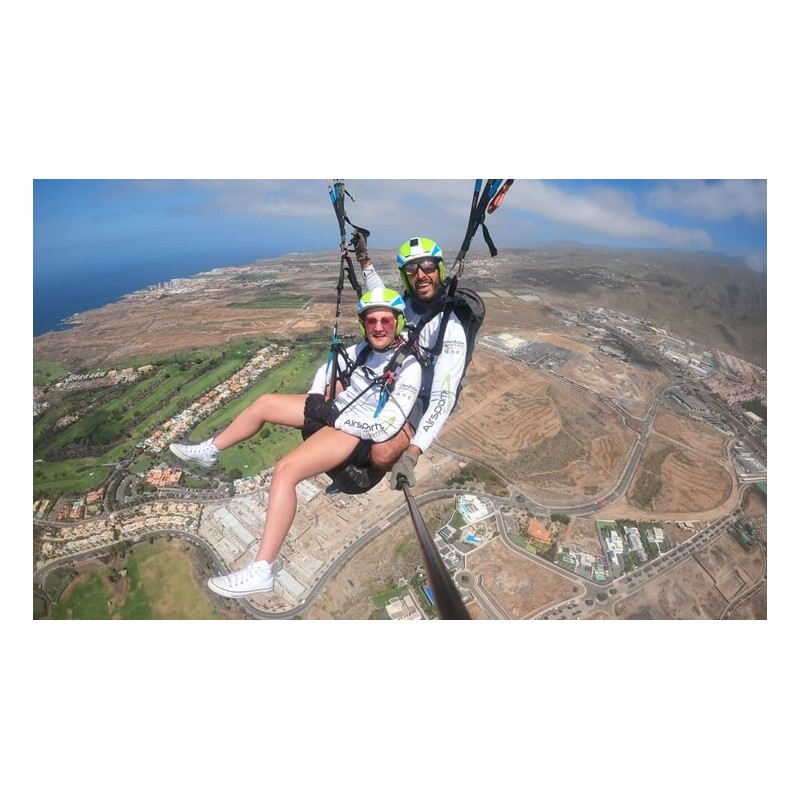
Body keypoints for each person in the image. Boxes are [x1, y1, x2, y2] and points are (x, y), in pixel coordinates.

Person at [169, 288, 421, 598]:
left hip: (359, 431)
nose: (378, 327)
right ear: (363, 325)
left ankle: (262, 569)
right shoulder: (364, 350)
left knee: (285, 470)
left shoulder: (409, 367)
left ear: (396, 323)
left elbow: (388, 426)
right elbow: (328, 370)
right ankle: (211, 449)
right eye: (371, 321)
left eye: (385, 320)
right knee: (264, 404)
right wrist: (318, 397)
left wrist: (334, 418)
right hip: (341, 412)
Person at [351, 232, 469, 492]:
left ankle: (373, 469)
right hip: (394, 377)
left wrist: (412, 453)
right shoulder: (404, 305)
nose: (421, 274)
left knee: (381, 455)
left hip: (421, 395)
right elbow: (379, 291)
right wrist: (363, 260)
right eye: (412, 269)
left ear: (438, 270)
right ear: (406, 276)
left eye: (428, 267)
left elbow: (443, 396)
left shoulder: (450, 328)